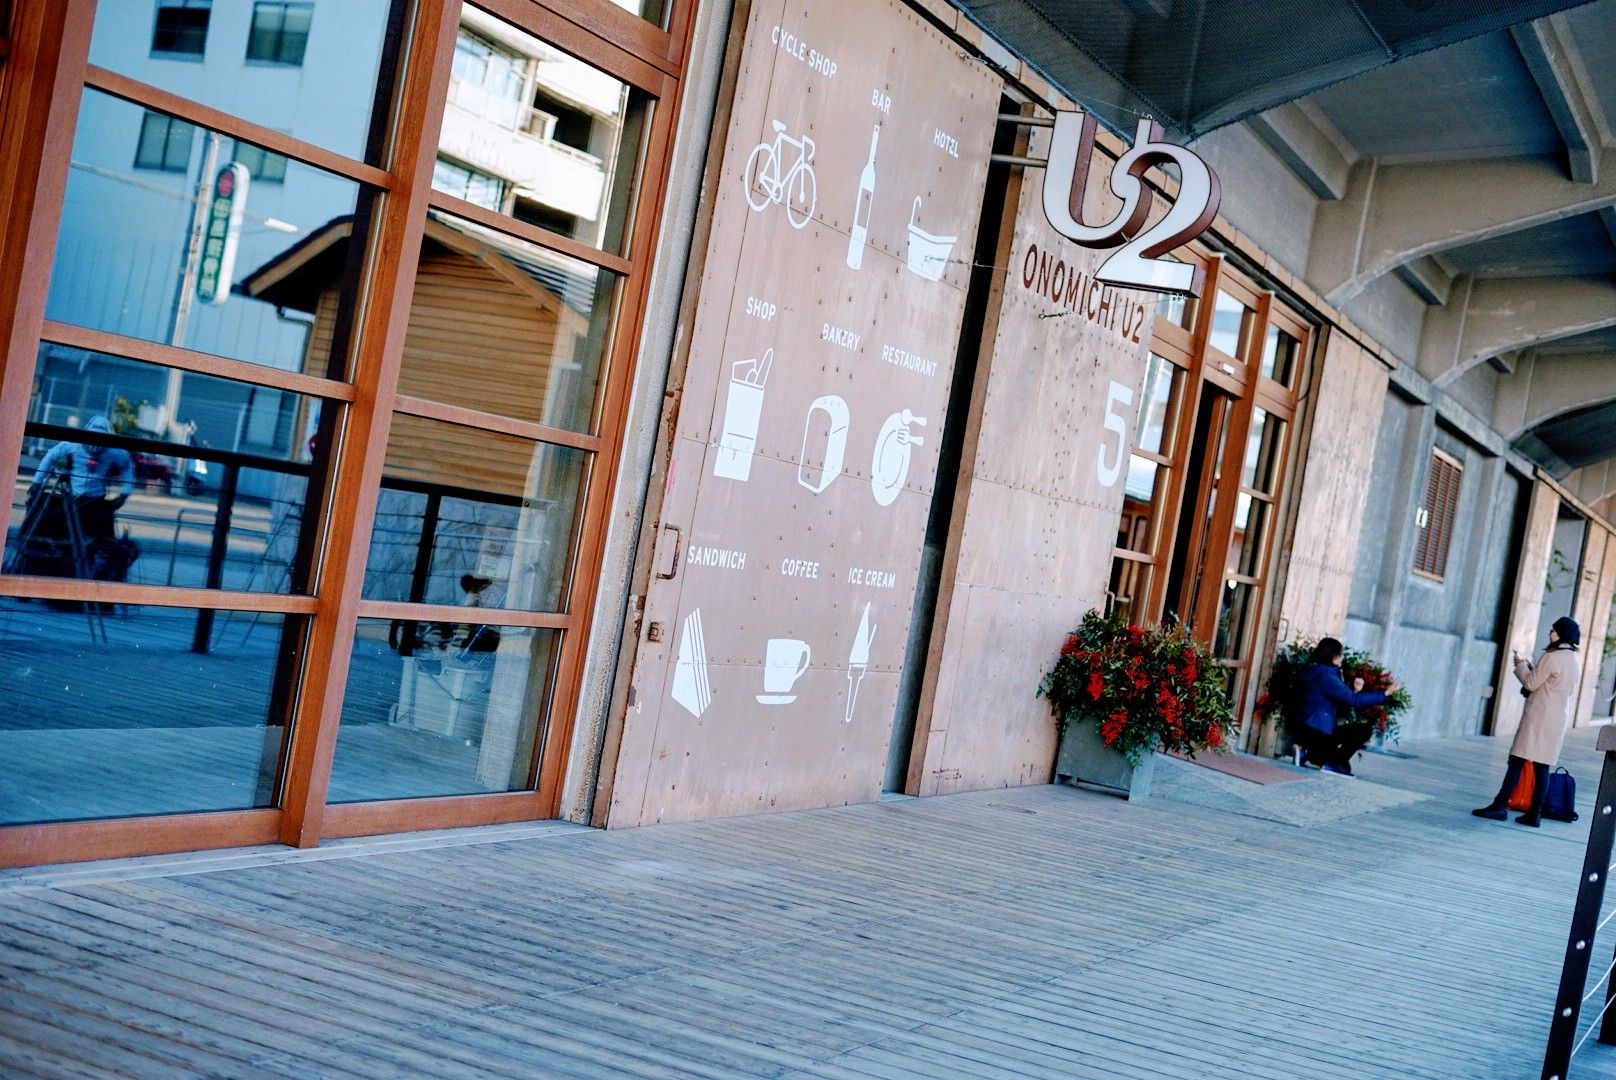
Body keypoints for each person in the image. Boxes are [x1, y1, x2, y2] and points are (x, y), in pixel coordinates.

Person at [1472, 616, 1582, 827]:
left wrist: (1520, 664)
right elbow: (1549, 683)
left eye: (1553, 630)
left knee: (1516, 760)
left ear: (1560, 634)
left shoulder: (1552, 657)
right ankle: (1535, 813)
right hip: (1557, 719)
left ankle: (1499, 806)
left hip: (1539, 717)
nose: (1550, 633)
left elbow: (1531, 684)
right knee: (1542, 766)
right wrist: (1532, 667)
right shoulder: (1573, 660)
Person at [22, 415, 137, 581]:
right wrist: (37, 482)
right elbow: (51, 455)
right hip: (72, 498)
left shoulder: (114, 452)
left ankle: (99, 565)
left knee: (104, 539)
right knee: (42, 509)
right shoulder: (73, 445)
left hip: (97, 502)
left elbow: (127, 465)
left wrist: (124, 494)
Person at [1291, 637, 1399, 777]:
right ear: (1334, 656)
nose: (1342, 658)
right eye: (1340, 654)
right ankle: (1322, 759)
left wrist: (1354, 691)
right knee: (1342, 763)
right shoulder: (1326, 675)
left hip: (1310, 729)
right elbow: (1354, 701)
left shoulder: (1314, 669)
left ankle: (1305, 752)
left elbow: (1338, 702)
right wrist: (1385, 693)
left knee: (1362, 732)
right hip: (1317, 732)